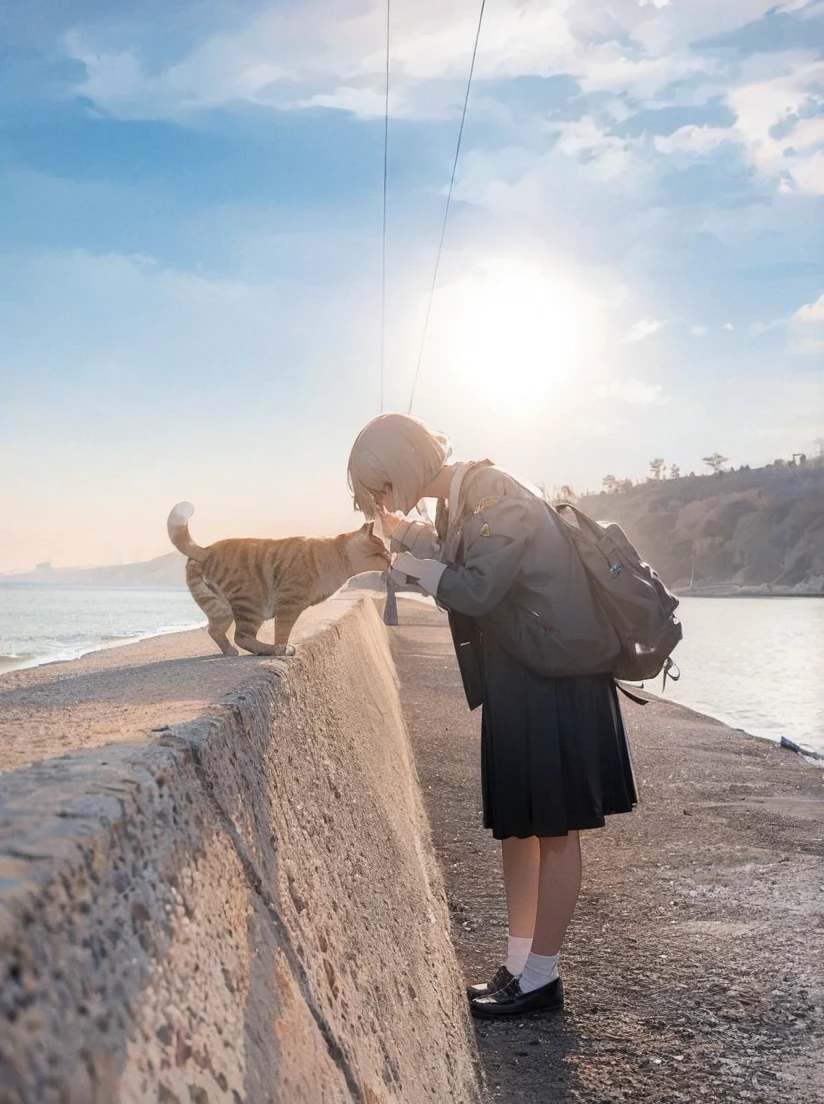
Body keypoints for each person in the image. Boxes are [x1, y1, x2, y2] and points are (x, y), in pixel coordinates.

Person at [347, 412, 637, 1020]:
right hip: (525, 677)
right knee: (520, 826)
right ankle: (517, 965)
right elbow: (458, 554)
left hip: (557, 680)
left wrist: (407, 564)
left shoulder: (492, 489)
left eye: (376, 487)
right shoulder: (461, 498)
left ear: (397, 469)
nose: (375, 500)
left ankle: (542, 976)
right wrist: (406, 537)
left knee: (554, 831)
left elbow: (476, 587)